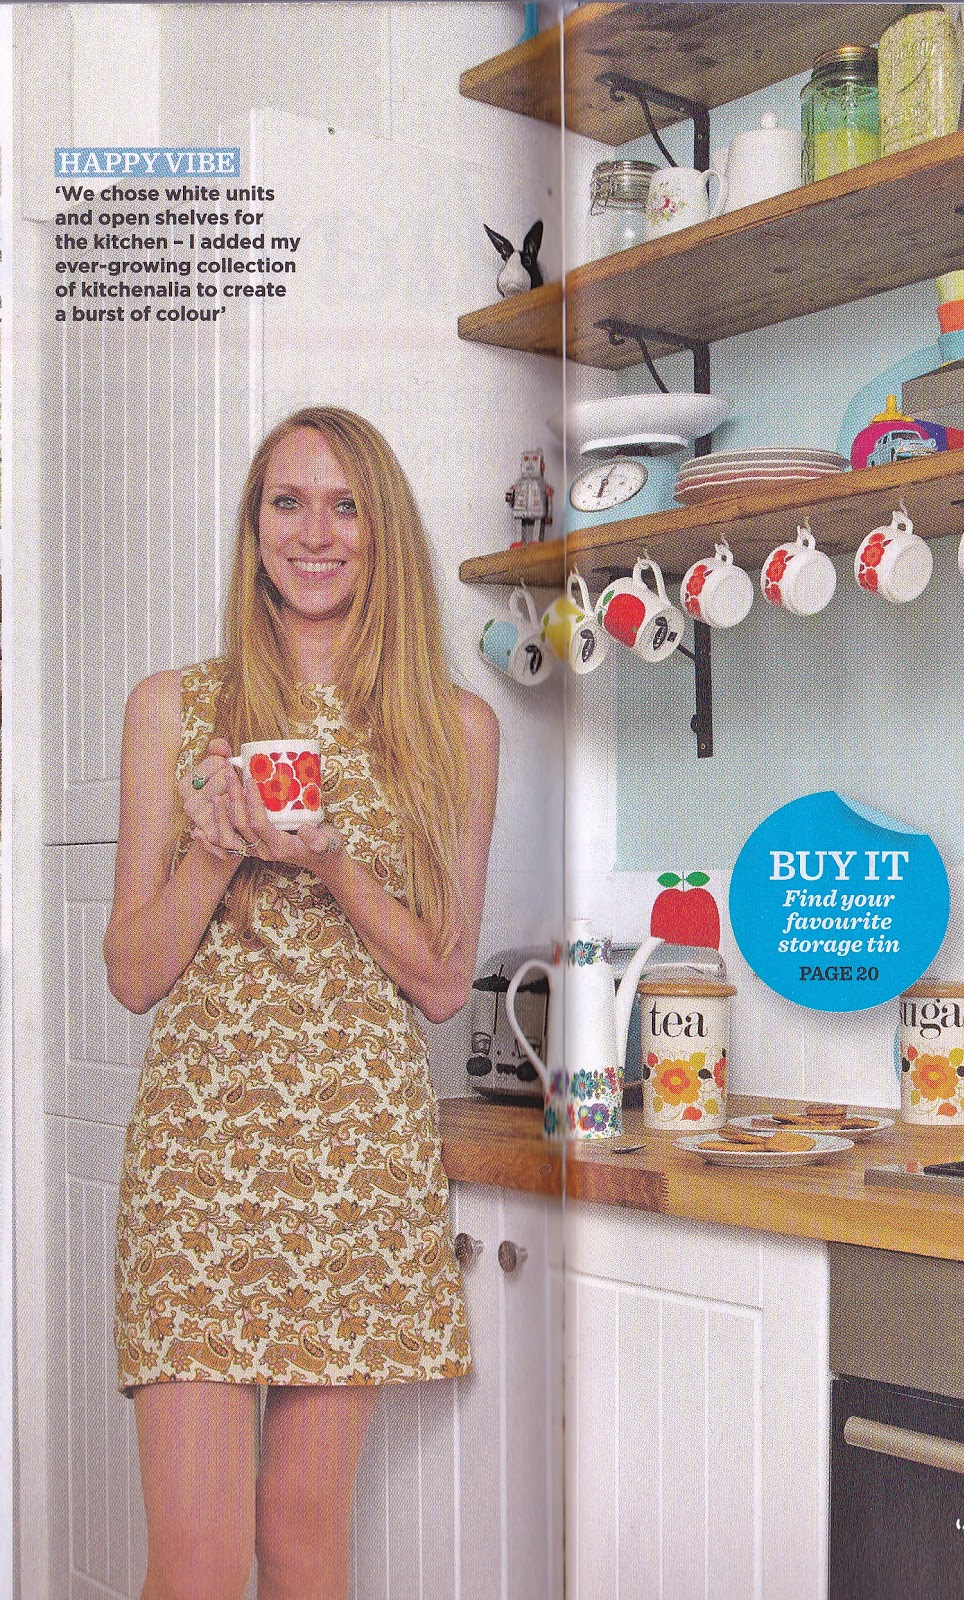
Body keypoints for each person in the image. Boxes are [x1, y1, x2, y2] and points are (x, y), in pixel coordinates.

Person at [103, 405, 500, 1600]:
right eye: (287, 502)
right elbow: (131, 973)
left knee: (305, 1547)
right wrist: (218, 849)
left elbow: (440, 984)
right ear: (252, 528)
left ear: (379, 529)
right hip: (202, 1162)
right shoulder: (173, 708)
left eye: (343, 504)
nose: (313, 533)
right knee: (198, 1563)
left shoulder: (454, 729)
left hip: (356, 1162)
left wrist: (328, 859)